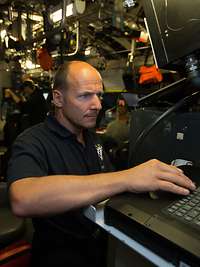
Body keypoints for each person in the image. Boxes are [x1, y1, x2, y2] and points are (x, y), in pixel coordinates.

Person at [7, 61, 196, 267]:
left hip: (99, 247)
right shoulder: (33, 141)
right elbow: (22, 199)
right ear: (58, 99)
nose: (97, 104)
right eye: (85, 95)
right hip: (60, 255)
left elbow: (106, 182)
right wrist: (127, 178)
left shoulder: (91, 138)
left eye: (98, 95)